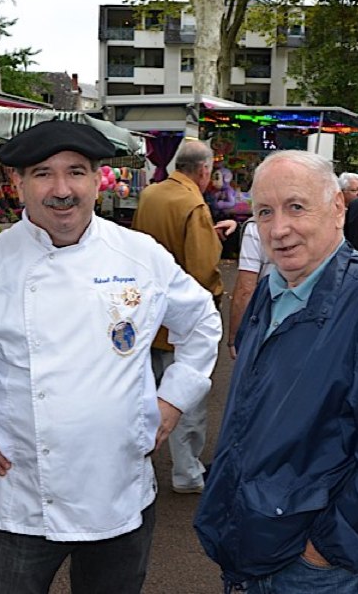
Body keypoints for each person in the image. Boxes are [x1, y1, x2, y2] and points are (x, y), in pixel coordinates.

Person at [0, 120, 222, 594]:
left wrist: (173, 401)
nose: (62, 189)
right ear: (18, 184)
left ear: (97, 179)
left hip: (118, 492)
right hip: (18, 500)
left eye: (77, 172)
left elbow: (203, 322)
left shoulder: (139, 255)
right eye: (43, 174)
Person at [194, 150, 358, 593]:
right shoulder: (273, 291)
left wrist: (325, 552)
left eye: (296, 207)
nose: (279, 228)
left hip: (315, 570)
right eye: (265, 212)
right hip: (258, 546)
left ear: (338, 209)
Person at [131, 139, 224, 495]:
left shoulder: (151, 194)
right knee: (185, 398)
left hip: (147, 313)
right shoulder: (193, 203)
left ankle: (140, 460)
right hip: (180, 320)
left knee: (143, 393)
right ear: (203, 170)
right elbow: (202, 270)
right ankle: (186, 472)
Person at [226, 216, 271, 360]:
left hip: (267, 322)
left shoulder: (257, 227)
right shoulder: (328, 222)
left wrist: (235, 337)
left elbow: (246, 289)